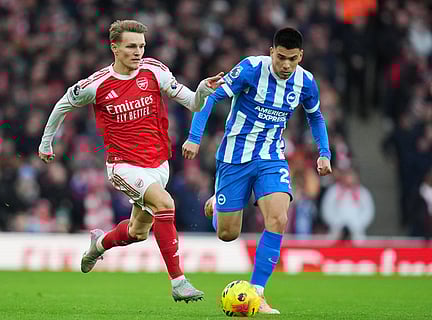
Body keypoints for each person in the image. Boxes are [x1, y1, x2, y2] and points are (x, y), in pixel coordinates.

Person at [38, 20, 224, 303]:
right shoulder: (97, 84)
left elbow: (194, 104)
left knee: (138, 232)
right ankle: (179, 282)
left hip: (158, 164)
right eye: (131, 47)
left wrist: (201, 91)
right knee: (165, 204)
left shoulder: (154, 71)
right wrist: (46, 142)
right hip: (123, 166)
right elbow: (63, 104)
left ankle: (98, 245)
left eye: (141, 46)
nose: (138, 52)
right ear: (114, 48)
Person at [182, 27, 332, 314]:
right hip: (234, 158)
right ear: (271, 51)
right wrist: (194, 136)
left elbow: (316, 117)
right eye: (281, 58)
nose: (286, 65)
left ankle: (258, 292)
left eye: (292, 59)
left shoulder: (306, 82)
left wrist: (324, 153)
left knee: (278, 218)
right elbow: (212, 96)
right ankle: (217, 204)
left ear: (300, 56)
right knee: (228, 234)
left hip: (272, 158)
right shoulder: (250, 69)